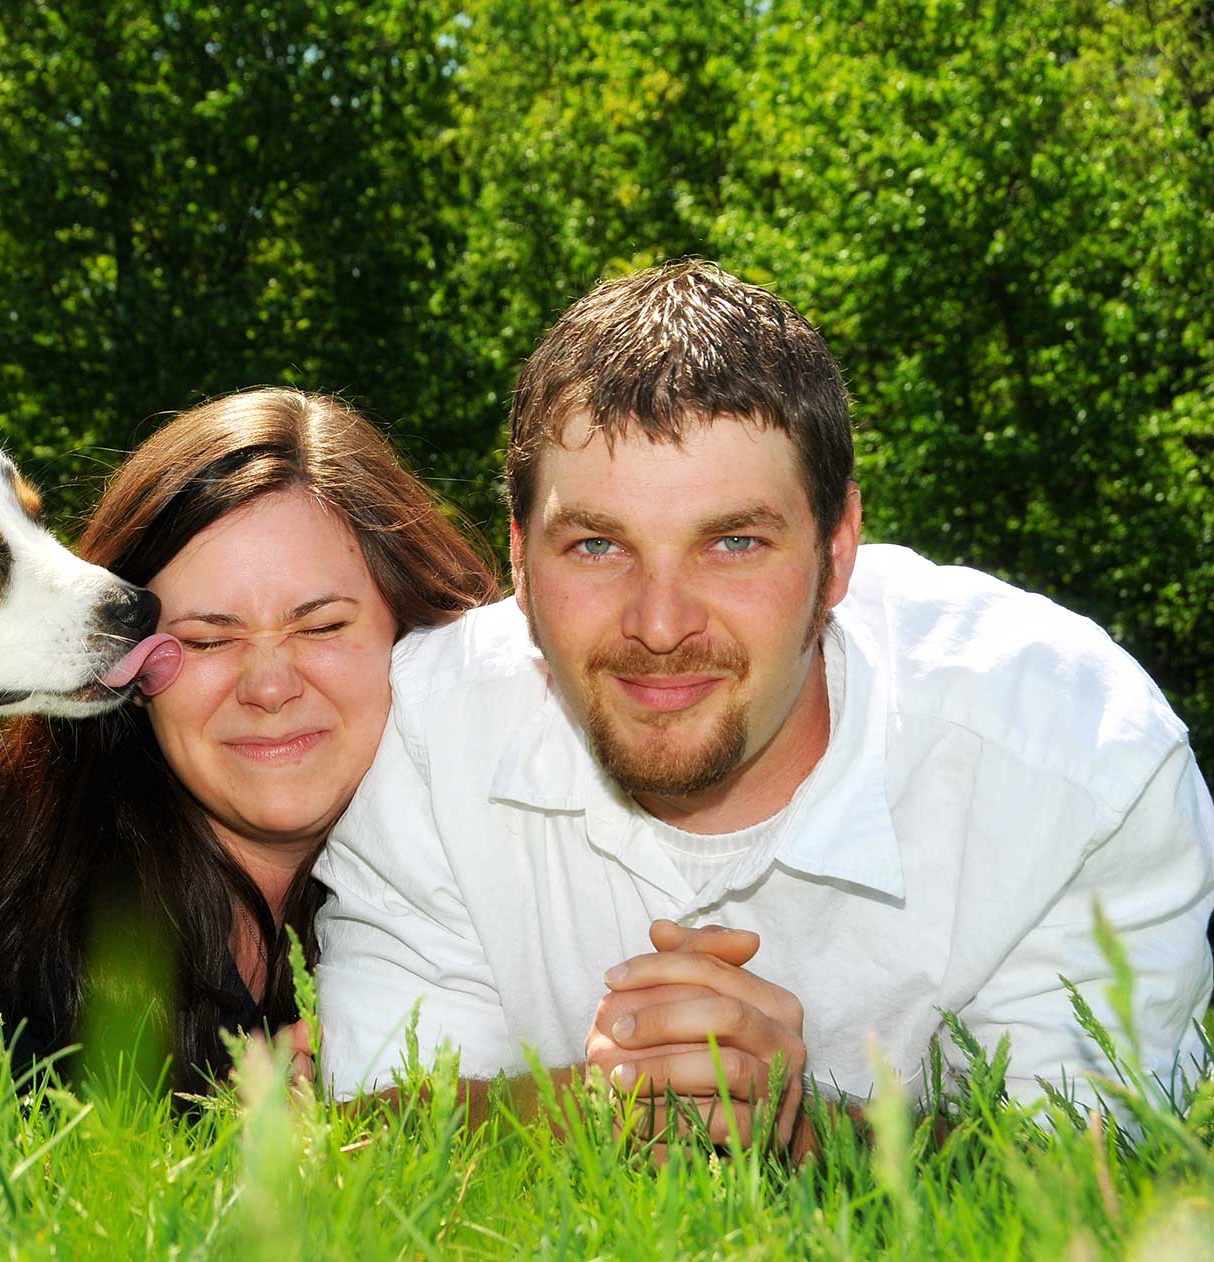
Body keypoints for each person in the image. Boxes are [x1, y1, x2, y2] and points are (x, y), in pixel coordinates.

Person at [314, 261, 1214, 1149]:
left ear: (839, 549)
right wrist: (604, 1102)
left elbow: (1096, 1169)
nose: (660, 624)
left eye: (735, 542)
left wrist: (809, 1131)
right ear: (517, 560)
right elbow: (378, 1133)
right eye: (596, 545)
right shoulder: (427, 735)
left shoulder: (1082, 759)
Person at [0, 386, 497, 1092]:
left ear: (409, 631)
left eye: (322, 626)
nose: (270, 685)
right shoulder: (16, 933)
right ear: (116, 670)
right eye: (207, 637)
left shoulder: (498, 865)